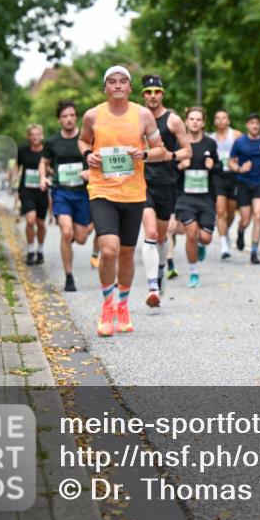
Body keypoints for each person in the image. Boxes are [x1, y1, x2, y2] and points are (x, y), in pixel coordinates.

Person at [78, 65, 167, 337]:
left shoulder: (142, 115)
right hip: (102, 190)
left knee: (127, 252)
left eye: (123, 82)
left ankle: (123, 306)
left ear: (129, 88)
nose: (117, 86)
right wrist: (88, 156)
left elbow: (161, 150)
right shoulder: (93, 116)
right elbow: (83, 142)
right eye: (112, 82)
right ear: (105, 88)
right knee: (109, 249)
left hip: (133, 193)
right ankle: (107, 306)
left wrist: (145, 155)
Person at [139, 75, 191, 308]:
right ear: (143, 95)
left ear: (162, 94)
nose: (152, 95)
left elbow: (187, 151)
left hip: (166, 183)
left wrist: (169, 155)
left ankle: (160, 269)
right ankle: (152, 287)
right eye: (148, 91)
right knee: (150, 233)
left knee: (161, 237)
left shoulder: (173, 120)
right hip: (142, 183)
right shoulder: (137, 119)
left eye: (156, 91)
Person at [40, 99, 95, 292]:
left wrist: (90, 173)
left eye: (72, 115)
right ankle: (69, 277)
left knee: (80, 238)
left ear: (76, 117)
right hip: (61, 191)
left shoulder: (86, 139)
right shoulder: (52, 142)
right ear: (59, 120)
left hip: (82, 193)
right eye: (65, 116)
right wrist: (43, 177)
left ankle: (83, 229)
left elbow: (96, 159)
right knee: (66, 231)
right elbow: (44, 162)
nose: (69, 119)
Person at [174, 108, 219, 288]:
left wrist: (212, 165)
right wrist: (179, 166)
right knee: (191, 233)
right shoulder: (179, 145)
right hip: (185, 197)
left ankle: (201, 245)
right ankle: (193, 273)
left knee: (205, 238)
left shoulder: (210, 144)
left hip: (206, 197)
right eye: (191, 119)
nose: (194, 122)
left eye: (198, 119)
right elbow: (169, 167)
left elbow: (219, 167)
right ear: (186, 121)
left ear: (203, 123)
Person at [229, 113, 260, 265]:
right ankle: (241, 231)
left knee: (258, 216)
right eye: (252, 123)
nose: (255, 125)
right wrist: (240, 168)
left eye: (257, 123)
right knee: (246, 220)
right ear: (247, 125)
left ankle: (254, 252)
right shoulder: (240, 142)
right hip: (243, 184)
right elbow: (231, 162)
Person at [14, 125, 48, 264]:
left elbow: (51, 166)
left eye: (38, 134)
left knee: (40, 223)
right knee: (30, 220)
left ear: (42, 136)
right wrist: (13, 179)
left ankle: (40, 250)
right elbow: (16, 167)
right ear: (28, 137)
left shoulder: (47, 151)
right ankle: (30, 250)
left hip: (42, 191)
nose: (35, 137)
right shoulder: (22, 151)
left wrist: (48, 173)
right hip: (26, 190)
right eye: (32, 134)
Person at [212, 109, 242, 259]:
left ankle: (225, 231)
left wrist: (239, 161)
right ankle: (224, 244)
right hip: (218, 177)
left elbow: (245, 151)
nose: (221, 121)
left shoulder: (236, 135)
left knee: (230, 212)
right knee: (220, 211)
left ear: (228, 120)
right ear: (215, 121)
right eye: (218, 118)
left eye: (224, 118)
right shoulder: (211, 139)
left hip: (233, 176)